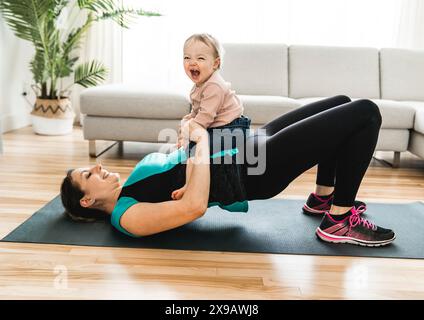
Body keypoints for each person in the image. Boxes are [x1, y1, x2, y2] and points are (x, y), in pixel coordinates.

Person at [60, 95, 396, 247]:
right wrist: (200, 141)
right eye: (88, 175)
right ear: (87, 201)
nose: (97, 167)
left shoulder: (134, 182)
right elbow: (192, 207)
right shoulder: (126, 216)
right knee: (365, 113)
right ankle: (338, 220)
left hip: (244, 145)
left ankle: (323, 200)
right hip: (251, 172)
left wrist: (189, 138)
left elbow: (182, 166)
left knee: (340, 101)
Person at [174, 34, 251, 198]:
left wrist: (188, 134)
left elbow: (204, 118)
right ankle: (189, 183)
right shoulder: (198, 86)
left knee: (195, 150)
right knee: (190, 144)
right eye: (187, 57)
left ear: (215, 64)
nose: (192, 62)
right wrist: (185, 126)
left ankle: (190, 186)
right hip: (219, 126)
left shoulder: (214, 86)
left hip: (233, 128)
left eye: (200, 58)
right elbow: (196, 113)